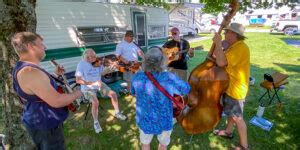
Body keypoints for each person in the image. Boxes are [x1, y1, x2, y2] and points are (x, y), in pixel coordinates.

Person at [11, 32, 82, 149]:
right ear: (30, 46)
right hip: (45, 125)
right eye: (41, 44)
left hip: (41, 123)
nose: (45, 47)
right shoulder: (29, 71)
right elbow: (57, 101)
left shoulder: (25, 67)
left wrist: (55, 75)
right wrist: (78, 93)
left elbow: (38, 89)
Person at [131, 46, 190, 150]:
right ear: (162, 61)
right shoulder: (169, 77)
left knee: (145, 144)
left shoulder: (137, 77)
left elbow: (133, 92)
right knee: (163, 145)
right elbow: (186, 89)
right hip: (164, 118)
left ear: (145, 61)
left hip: (145, 117)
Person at [212, 23, 250, 150]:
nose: (224, 34)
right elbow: (217, 58)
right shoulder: (233, 46)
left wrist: (217, 43)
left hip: (236, 89)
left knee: (237, 118)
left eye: (227, 32)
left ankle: (244, 146)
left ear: (234, 34)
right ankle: (228, 132)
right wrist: (221, 46)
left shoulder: (241, 48)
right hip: (229, 86)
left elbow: (221, 62)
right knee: (230, 113)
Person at [75, 49, 127, 133]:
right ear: (87, 57)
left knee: (113, 94)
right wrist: (92, 83)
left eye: (95, 56)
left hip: (99, 84)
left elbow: (101, 73)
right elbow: (78, 80)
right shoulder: (81, 64)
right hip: (87, 88)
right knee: (95, 102)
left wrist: (111, 68)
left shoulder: (97, 62)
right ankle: (96, 122)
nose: (94, 58)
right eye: (92, 57)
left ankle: (117, 113)